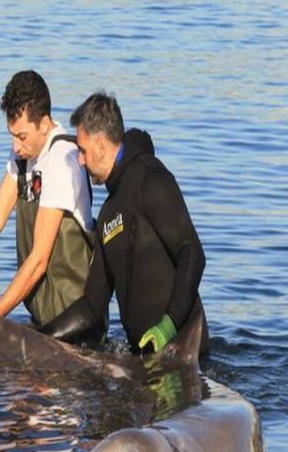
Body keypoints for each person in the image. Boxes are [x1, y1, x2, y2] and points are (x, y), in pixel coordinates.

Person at [40, 93, 210, 358]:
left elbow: (192, 253)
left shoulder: (151, 179)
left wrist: (168, 326)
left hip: (183, 350)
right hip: (144, 357)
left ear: (101, 145)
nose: (81, 161)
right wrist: (39, 336)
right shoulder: (108, 213)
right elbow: (91, 307)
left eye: (82, 150)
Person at [0, 71, 102, 332]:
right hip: (44, 319)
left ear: (44, 123)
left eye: (22, 136)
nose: (15, 146)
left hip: (75, 323)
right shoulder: (23, 154)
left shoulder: (63, 161)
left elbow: (39, 259)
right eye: (12, 135)